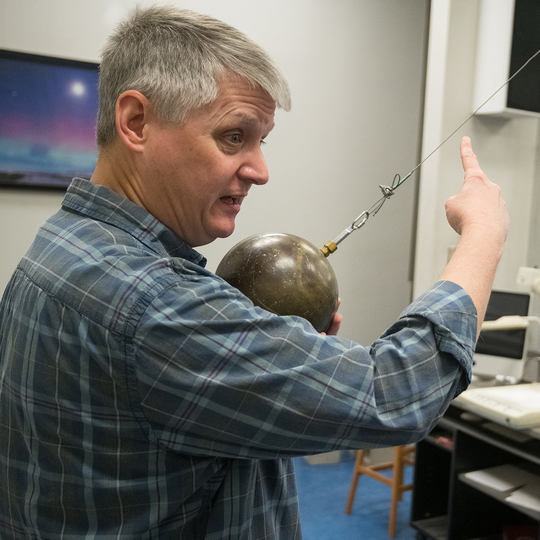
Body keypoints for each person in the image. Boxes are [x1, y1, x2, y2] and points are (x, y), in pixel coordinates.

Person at [0, 6, 508, 540]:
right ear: (136, 122)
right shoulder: (153, 304)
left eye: (262, 140)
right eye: (233, 137)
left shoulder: (63, 243)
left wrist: (266, 352)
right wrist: (483, 236)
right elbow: (398, 395)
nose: (260, 171)